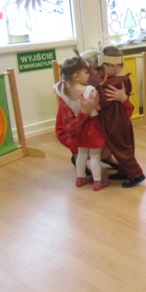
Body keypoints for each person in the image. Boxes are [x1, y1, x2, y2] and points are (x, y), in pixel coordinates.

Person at [54, 49, 126, 172]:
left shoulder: (103, 86)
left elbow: (124, 114)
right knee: (109, 141)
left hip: (92, 129)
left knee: (120, 132)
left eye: (103, 68)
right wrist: (84, 112)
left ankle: (104, 156)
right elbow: (69, 130)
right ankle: (79, 157)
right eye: (97, 69)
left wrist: (124, 99)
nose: (102, 72)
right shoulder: (70, 93)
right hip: (76, 133)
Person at [53, 52, 110, 191]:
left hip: (80, 128)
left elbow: (56, 86)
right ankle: (97, 181)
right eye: (86, 72)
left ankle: (81, 178)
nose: (88, 75)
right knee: (95, 155)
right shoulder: (89, 89)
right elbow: (98, 107)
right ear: (77, 76)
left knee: (82, 153)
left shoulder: (62, 90)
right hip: (92, 125)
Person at [98, 45, 146, 188]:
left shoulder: (111, 84)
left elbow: (102, 103)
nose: (103, 71)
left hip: (114, 123)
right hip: (122, 120)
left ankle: (136, 174)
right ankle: (124, 171)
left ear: (112, 66)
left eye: (104, 67)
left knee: (121, 149)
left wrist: (99, 86)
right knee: (125, 147)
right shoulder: (125, 79)